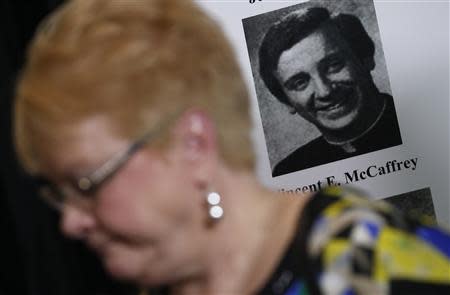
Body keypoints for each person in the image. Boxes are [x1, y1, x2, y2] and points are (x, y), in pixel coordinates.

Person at [14, 0, 450, 294]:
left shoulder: (377, 268)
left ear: (194, 144)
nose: (69, 222)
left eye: (87, 182)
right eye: (58, 193)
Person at [259, 7, 402, 177]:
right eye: (300, 82)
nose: (324, 91)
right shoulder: (291, 171)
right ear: (285, 101)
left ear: (366, 58)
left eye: (333, 65)